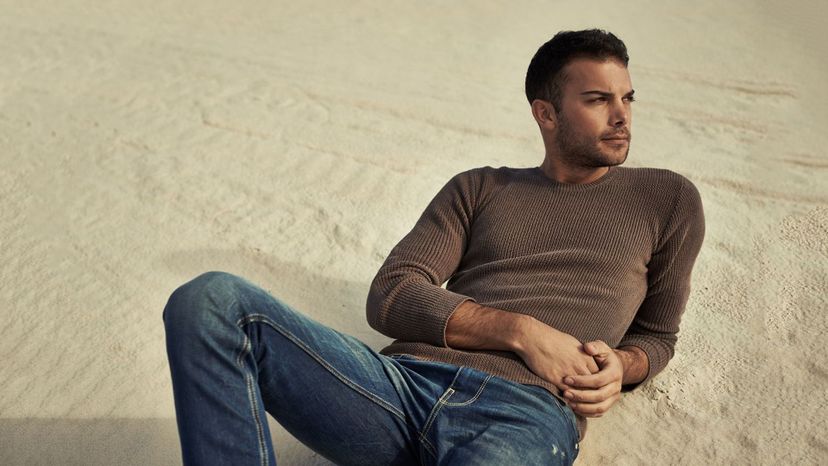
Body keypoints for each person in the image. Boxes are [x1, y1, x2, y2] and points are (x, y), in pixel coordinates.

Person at [163, 28, 705, 466]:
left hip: (524, 414)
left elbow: (657, 336)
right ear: (546, 113)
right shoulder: (480, 187)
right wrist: (521, 332)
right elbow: (392, 295)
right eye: (598, 100)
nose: (622, 115)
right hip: (398, 388)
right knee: (210, 301)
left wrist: (623, 366)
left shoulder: (667, 199)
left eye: (627, 98)